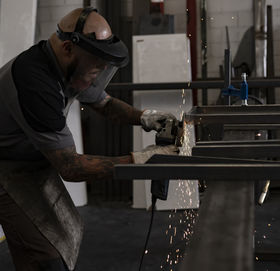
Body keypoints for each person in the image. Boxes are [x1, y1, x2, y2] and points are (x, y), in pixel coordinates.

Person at [0, 7, 177, 271]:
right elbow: (71, 167)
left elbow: (105, 104)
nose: (100, 69)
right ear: (69, 47)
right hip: (5, 172)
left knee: (63, 236)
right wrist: (140, 161)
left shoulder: (70, 65)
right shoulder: (34, 81)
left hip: (31, 165)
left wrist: (145, 118)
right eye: (96, 63)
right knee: (45, 257)